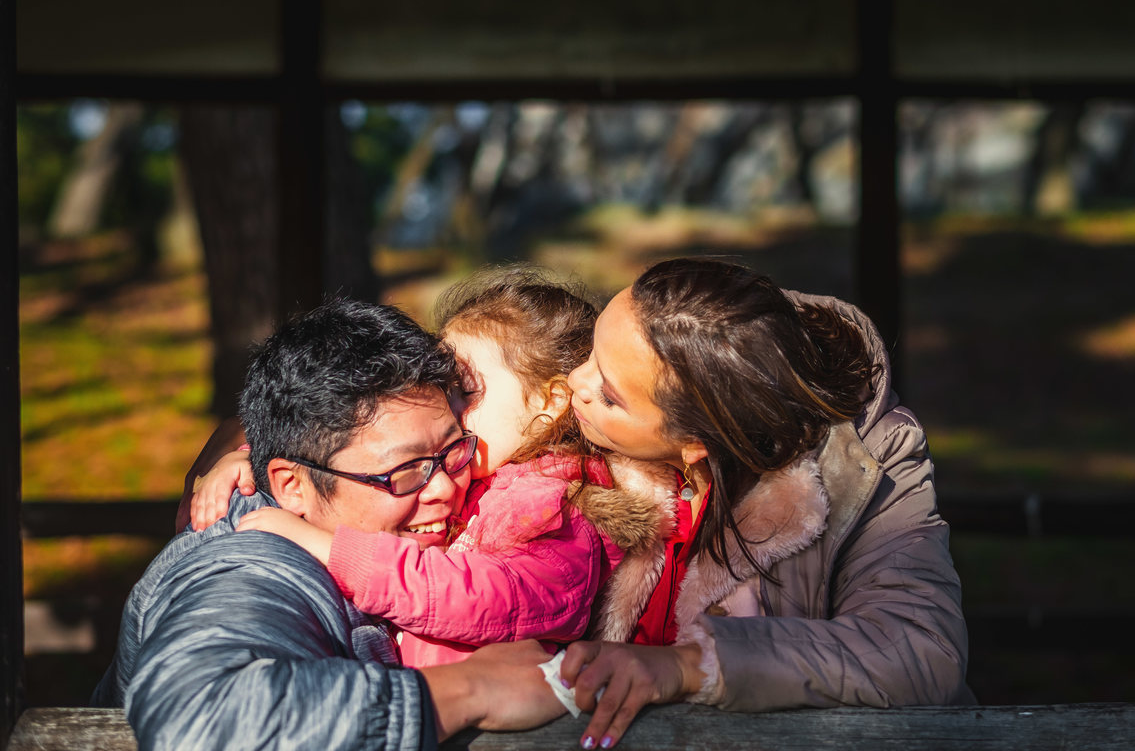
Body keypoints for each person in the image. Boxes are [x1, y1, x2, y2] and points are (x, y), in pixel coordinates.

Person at [92, 299, 565, 750]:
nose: (443, 488)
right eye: (402, 472)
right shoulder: (251, 561)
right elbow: (200, 718)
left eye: (452, 450)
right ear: (291, 487)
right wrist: (468, 690)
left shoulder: (347, 498)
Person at [557, 258, 972, 749]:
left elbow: (920, 652)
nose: (571, 382)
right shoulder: (575, 411)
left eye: (607, 394)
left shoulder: (870, 455)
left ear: (697, 441)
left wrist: (692, 666)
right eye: (591, 353)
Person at [185, 268, 661, 667]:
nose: (443, 406)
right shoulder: (482, 477)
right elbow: (340, 428)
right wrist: (245, 454)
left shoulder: (558, 505)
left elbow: (494, 599)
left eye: (463, 391)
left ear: (550, 401)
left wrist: (332, 551)